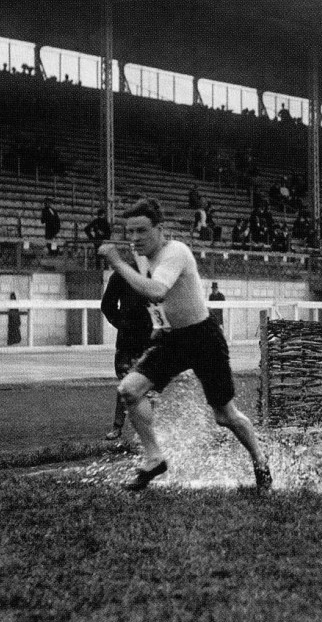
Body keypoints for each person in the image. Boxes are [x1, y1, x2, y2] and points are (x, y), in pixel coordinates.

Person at [98, 199, 271, 491]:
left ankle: (260, 461)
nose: (135, 239)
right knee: (129, 390)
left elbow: (156, 291)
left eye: (142, 231)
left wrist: (116, 263)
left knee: (224, 415)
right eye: (130, 232)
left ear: (160, 229)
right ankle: (154, 459)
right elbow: (162, 302)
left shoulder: (175, 251)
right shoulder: (142, 257)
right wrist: (159, 327)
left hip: (204, 337)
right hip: (173, 338)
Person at [100, 260, 155, 440]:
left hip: (151, 339)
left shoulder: (157, 273)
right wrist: (122, 323)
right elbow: (107, 305)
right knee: (126, 384)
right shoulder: (121, 275)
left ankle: (145, 432)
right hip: (128, 340)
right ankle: (117, 427)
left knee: (148, 386)